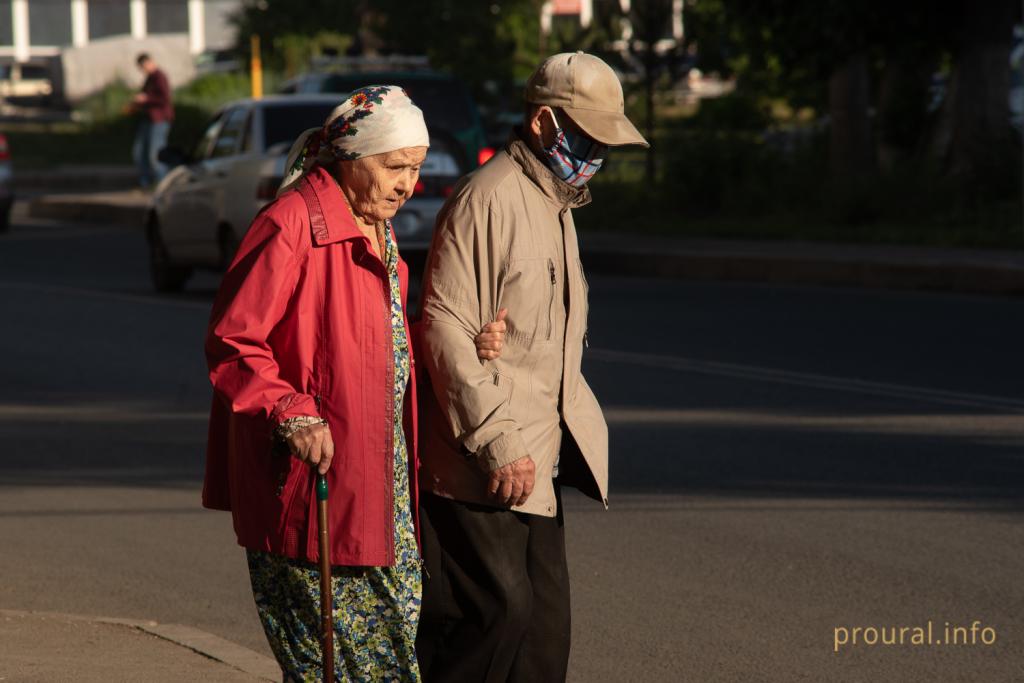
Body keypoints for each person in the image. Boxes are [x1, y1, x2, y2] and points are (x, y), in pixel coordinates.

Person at [203, 85, 507, 682]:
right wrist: (290, 411)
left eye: (416, 169)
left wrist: (457, 344)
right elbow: (234, 340)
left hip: (380, 487)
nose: (408, 185)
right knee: (337, 669)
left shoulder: (378, 229)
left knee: (388, 657)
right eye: (395, 167)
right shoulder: (291, 224)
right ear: (350, 158)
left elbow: (375, 342)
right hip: (311, 489)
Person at [415, 52, 649, 682]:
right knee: (491, 624)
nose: (598, 153)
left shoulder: (555, 202)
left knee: (543, 638)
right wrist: (498, 441)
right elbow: (444, 326)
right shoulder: (488, 199)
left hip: (535, 462)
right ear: (544, 123)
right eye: (589, 136)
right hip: (481, 464)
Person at [131, 53, 173, 187]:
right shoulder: (150, 78)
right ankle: (146, 181)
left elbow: (164, 98)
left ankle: (163, 183)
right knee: (139, 152)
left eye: (143, 67)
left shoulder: (159, 76)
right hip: (148, 119)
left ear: (150, 62)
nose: (143, 70)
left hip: (159, 119)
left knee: (156, 154)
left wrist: (146, 99)